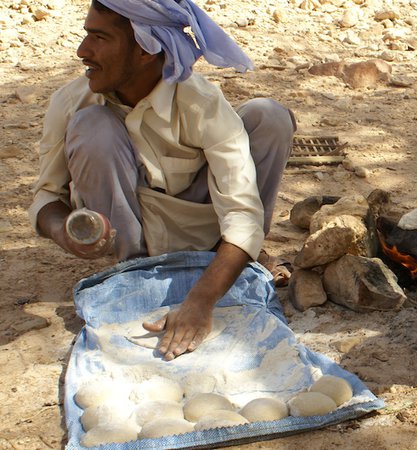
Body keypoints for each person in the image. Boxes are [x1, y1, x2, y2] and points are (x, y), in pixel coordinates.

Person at [29, 0, 296, 360]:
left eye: (99, 37)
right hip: (134, 238)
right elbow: (47, 199)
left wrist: (200, 303)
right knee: (92, 127)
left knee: (270, 117)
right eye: (86, 35)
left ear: (143, 50)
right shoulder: (71, 102)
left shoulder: (200, 103)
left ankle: (231, 263)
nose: (83, 51)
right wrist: (64, 230)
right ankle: (133, 277)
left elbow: (243, 215)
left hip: (208, 231)